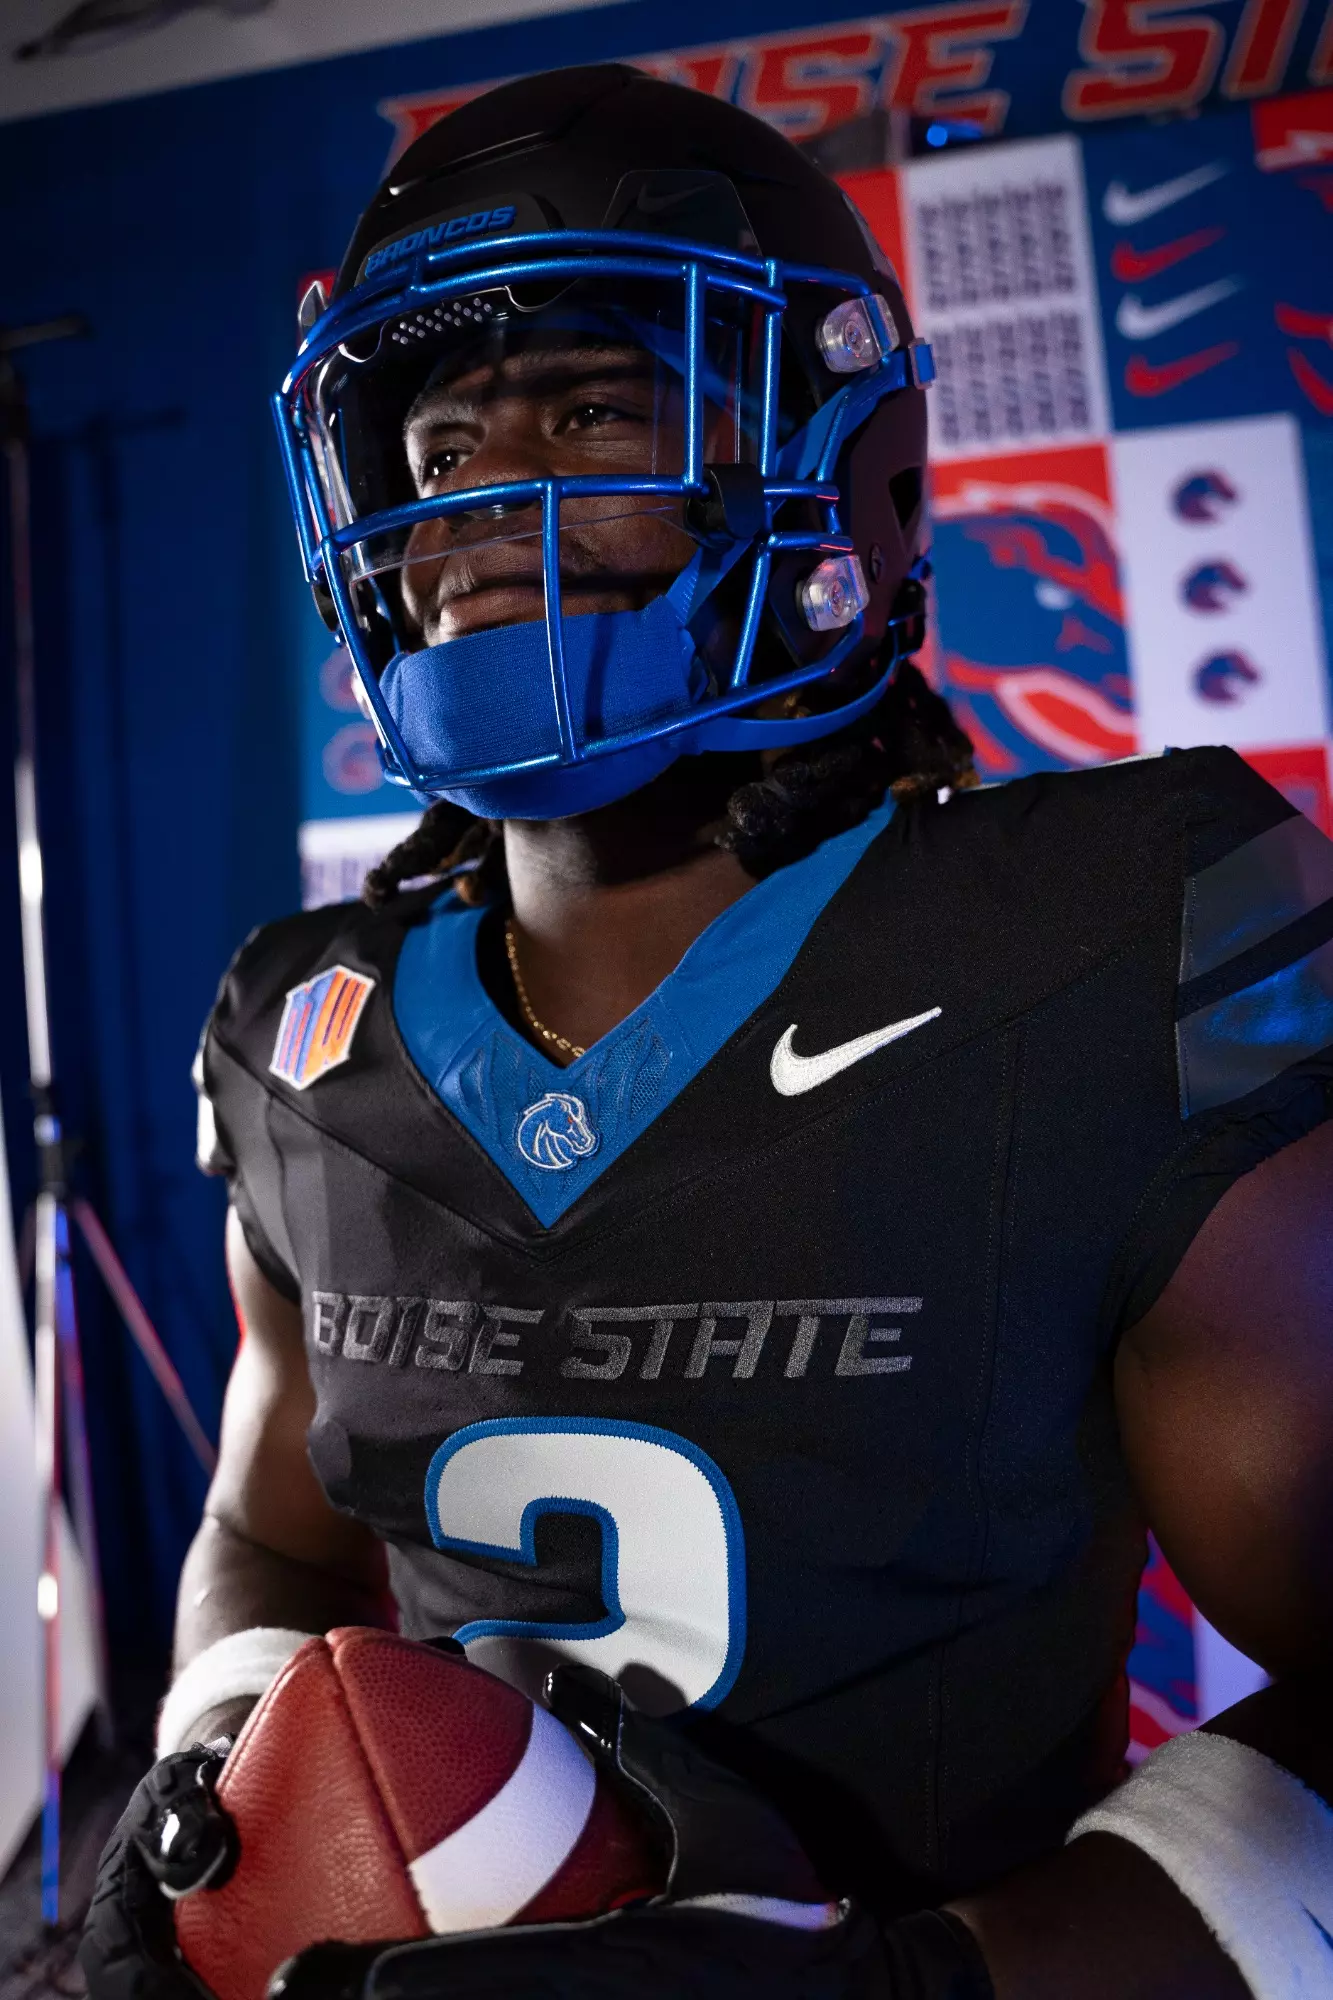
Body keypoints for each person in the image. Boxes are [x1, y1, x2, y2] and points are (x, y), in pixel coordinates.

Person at [83, 62, 1333, 2000]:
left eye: (590, 406)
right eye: (433, 445)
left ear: (850, 477)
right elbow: (279, 1541)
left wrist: (936, 1983)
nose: (485, 498)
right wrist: (217, 1767)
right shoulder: (301, 1032)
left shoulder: (1113, 930)